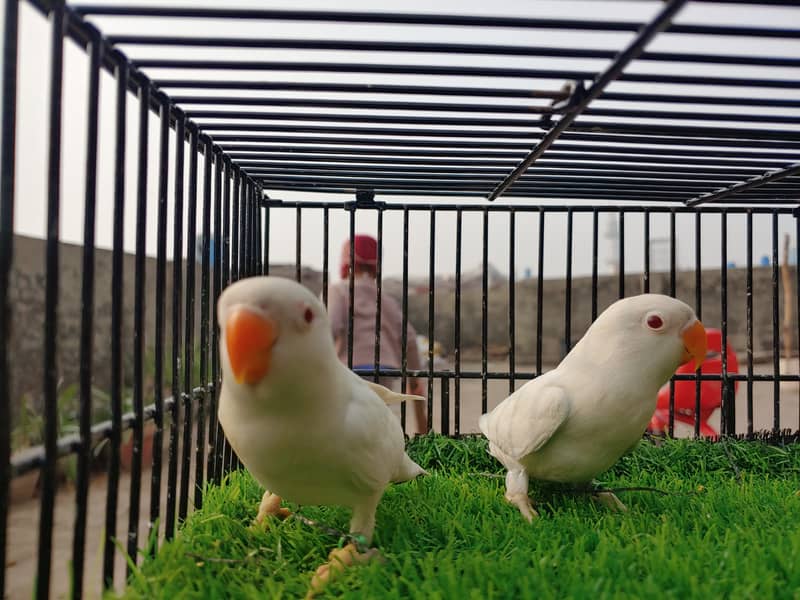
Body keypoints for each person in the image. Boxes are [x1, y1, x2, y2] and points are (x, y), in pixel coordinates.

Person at [326, 234, 428, 434]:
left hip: (350, 368)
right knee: (375, 418)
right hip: (385, 369)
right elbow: (409, 338)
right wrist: (414, 378)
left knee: (345, 421)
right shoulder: (385, 299)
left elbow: (331, 326)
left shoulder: (337, 291)